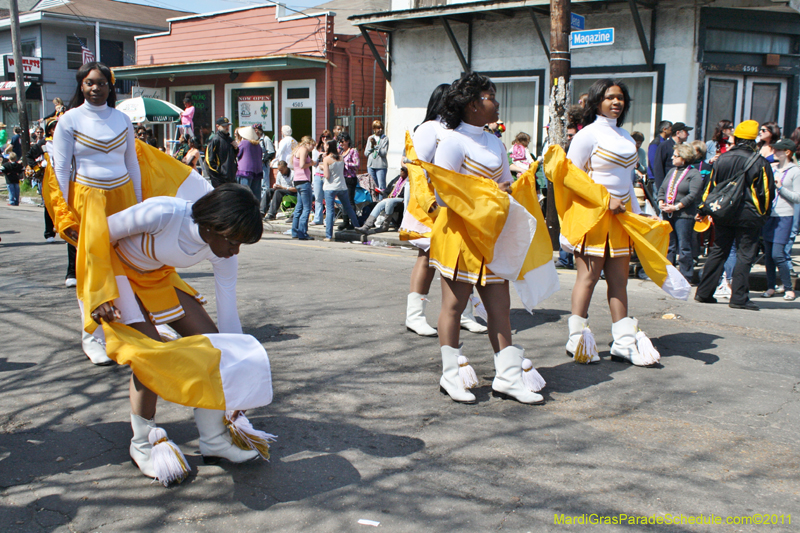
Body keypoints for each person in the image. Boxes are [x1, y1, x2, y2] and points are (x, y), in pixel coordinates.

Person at [95, 183, 267, 480]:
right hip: (116, 273)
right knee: (151, 357)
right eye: (233, 241)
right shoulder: (163, 213)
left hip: (157, 278)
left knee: (214, 350)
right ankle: (143, 443)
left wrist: (236, 374)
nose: (235, 250)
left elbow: (228, 320)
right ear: (214, 226)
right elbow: (95, 235)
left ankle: (213, 439)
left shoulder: (223, 252)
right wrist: (100, 292)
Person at [431, 72, 547, 405]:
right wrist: (489, 192)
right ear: (471, 104)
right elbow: (443, 193)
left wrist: (510, 189)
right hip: (461, 236)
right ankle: (451, 377)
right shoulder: (452, 141)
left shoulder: (494, 141)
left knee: (501, 308)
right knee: (454, 306)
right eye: (490, 96)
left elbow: (504, 184)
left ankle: (507, 378)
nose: (496, 102)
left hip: (493, 236)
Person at [558, 78, 670, 367]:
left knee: (620, 281)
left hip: (621, 220)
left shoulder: (626, 137)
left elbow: (628, 181)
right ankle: (577, 338)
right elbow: (570, 177)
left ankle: (622, 341)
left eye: (620, 97)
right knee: (589, 277)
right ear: (597, 101)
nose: (616, 102)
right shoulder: (586, 135)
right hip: (593, 218)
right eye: (609, 97)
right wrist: (605, 200)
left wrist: (638, 209)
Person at [50, 61, 142, 367]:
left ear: (110, 86)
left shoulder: (122, 119)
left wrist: (139, 205)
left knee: (130, 263)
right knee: (93, 268)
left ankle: (134, 324)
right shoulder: (68, 120)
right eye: (90, 82)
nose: (95, 87)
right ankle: (93, 336)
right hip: (87, 200)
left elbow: (132, 164)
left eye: (101, 82)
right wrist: (63, 215)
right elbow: (61, 169)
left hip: (123, 196)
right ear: (81, 85)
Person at [401, 83, 488, 337]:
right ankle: (414, 315)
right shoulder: (430, 128)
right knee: (427, 258)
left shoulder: (462, 130)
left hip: (460, 206)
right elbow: (417, 168)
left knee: (463, 258)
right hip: (431, 205)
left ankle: (464, 313)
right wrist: (432, 201)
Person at [695, 120, 775, 311]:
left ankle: (704, 292)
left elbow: (710, 188)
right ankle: (738, 298)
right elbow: (766, 193)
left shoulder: (722, 159)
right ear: (754, 140)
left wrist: (703, 210)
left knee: (718, 250)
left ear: (737, 138)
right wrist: (763, 215)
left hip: (723, 212)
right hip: (749, 215)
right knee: (745, 254)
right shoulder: (760, 162)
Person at [657, 143, 704, 282]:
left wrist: (677, 206)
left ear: (684, 158)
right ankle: (668, 274)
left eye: (675, 155)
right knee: (669, 245)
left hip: (683, 215)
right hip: (668, 213)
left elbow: (693, 194)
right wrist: (661, 202)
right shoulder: (672, 171)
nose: (672, 158)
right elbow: (662, 189)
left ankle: (686, 276)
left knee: (684, 246)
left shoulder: (693, 173)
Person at [761, 138, 799, 301]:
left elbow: (797, 198)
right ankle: (770, 287)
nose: (774, 152)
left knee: (778, 254)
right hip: (769, 215)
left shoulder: (795, 171)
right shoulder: (772, 168)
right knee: (768, 254)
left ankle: (788, 287)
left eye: (778, 150)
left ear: (787, 152)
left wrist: (780, 187)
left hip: (784, 216)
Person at [321, 139, 360, 242]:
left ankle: (328, 236)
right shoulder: (341, 157)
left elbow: (327, 175)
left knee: (330, 211)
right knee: (349, 208)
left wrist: (322, 168)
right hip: (342, 186)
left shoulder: (326, 159)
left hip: (330, 187)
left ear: (328, 147)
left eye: (325, 145)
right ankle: (358, 227)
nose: (324, 146)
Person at [356, 166, 408, 233]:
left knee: (389, 201)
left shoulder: (409, 181)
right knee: (381, 203)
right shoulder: (397, 179)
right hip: (390, 199)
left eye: (403, 171)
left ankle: (385, 225)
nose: (401, 172)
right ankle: (366, 226)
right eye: (401, 170)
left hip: (402, 200)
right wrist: (385, 196)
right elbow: (387, 190)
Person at [653, 122, 692, 192]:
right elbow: (658, 168)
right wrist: (661, 189)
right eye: (686, 132)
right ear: (678, 133)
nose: (688, 134)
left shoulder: (684, 148)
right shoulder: (664, 146)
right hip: (667, 187)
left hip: (680, 187)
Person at [291, 136, 315, 240]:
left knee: (299, 207)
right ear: (307, 143)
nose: (313, 148)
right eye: (312, 145)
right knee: (306, 208)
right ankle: (303, 233)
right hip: (304, 180)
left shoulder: (297, 149)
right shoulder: (304, 150)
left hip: (297, 180)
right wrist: (311, 163)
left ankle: (295, 231)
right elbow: (302, 165)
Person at [204, 117, 237, 187]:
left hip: (231, 177)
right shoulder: (215, 140)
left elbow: (234, 156)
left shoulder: (230, 140)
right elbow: (209, 160)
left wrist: (236, 148)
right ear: (217, 126)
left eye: (228, 125)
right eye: (224, 125)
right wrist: (219, 171)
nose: (227, 127)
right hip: (219, 179)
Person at [338, 134, 360, 230]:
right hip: (342, 178)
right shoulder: (341, 152)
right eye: (340, 142)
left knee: (350, 200)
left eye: (343, 141)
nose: (341, 143)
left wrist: (345, 163)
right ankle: (345, 221)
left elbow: (357, 164)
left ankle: (353, 221)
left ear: (347, 141)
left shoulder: (353, 151)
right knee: (343, 201)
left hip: (350, 178)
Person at [235, 126, 263, 203]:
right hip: (257, 171)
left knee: (245, 194)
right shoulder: (258, 145)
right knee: (256, 194)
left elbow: (237, 154)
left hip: (245, 171)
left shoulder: (244, 143)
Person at [311, 130, 332, 225]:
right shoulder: (317, 149)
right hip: (318, 175)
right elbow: (314, 164)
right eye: (323, 137)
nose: (325, 139)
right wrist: (319, 156)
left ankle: (328, 219)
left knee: (328, 198)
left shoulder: (332, 149)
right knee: (318, 198)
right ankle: (317, 219)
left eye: (327, 137)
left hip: (327, 176)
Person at [365, 120, 389, 194]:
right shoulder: (370, 138)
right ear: (374, 129)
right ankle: (374, 202)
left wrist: (377, 147)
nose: (380, 129)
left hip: (381, 165)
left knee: (381, 186)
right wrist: (371, 147)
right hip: (371, 165)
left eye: (381, 128)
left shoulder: (384, 138)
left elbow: (384, 153)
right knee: (373, 185)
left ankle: (381, 200)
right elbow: (366, 153)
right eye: (378, 128)